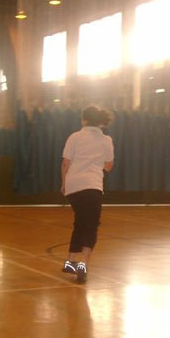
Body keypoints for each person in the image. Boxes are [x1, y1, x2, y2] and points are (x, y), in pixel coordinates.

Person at [60, 105, 114, 283]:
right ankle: (82, 264)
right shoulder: (106, 140)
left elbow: (66, 163)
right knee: (91, 226)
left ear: (84, 120)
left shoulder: (74, 137)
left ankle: (71, 261)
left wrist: (64, 184)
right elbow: (108, 166)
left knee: (80, 222)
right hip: (92, 186)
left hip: (73, 186)